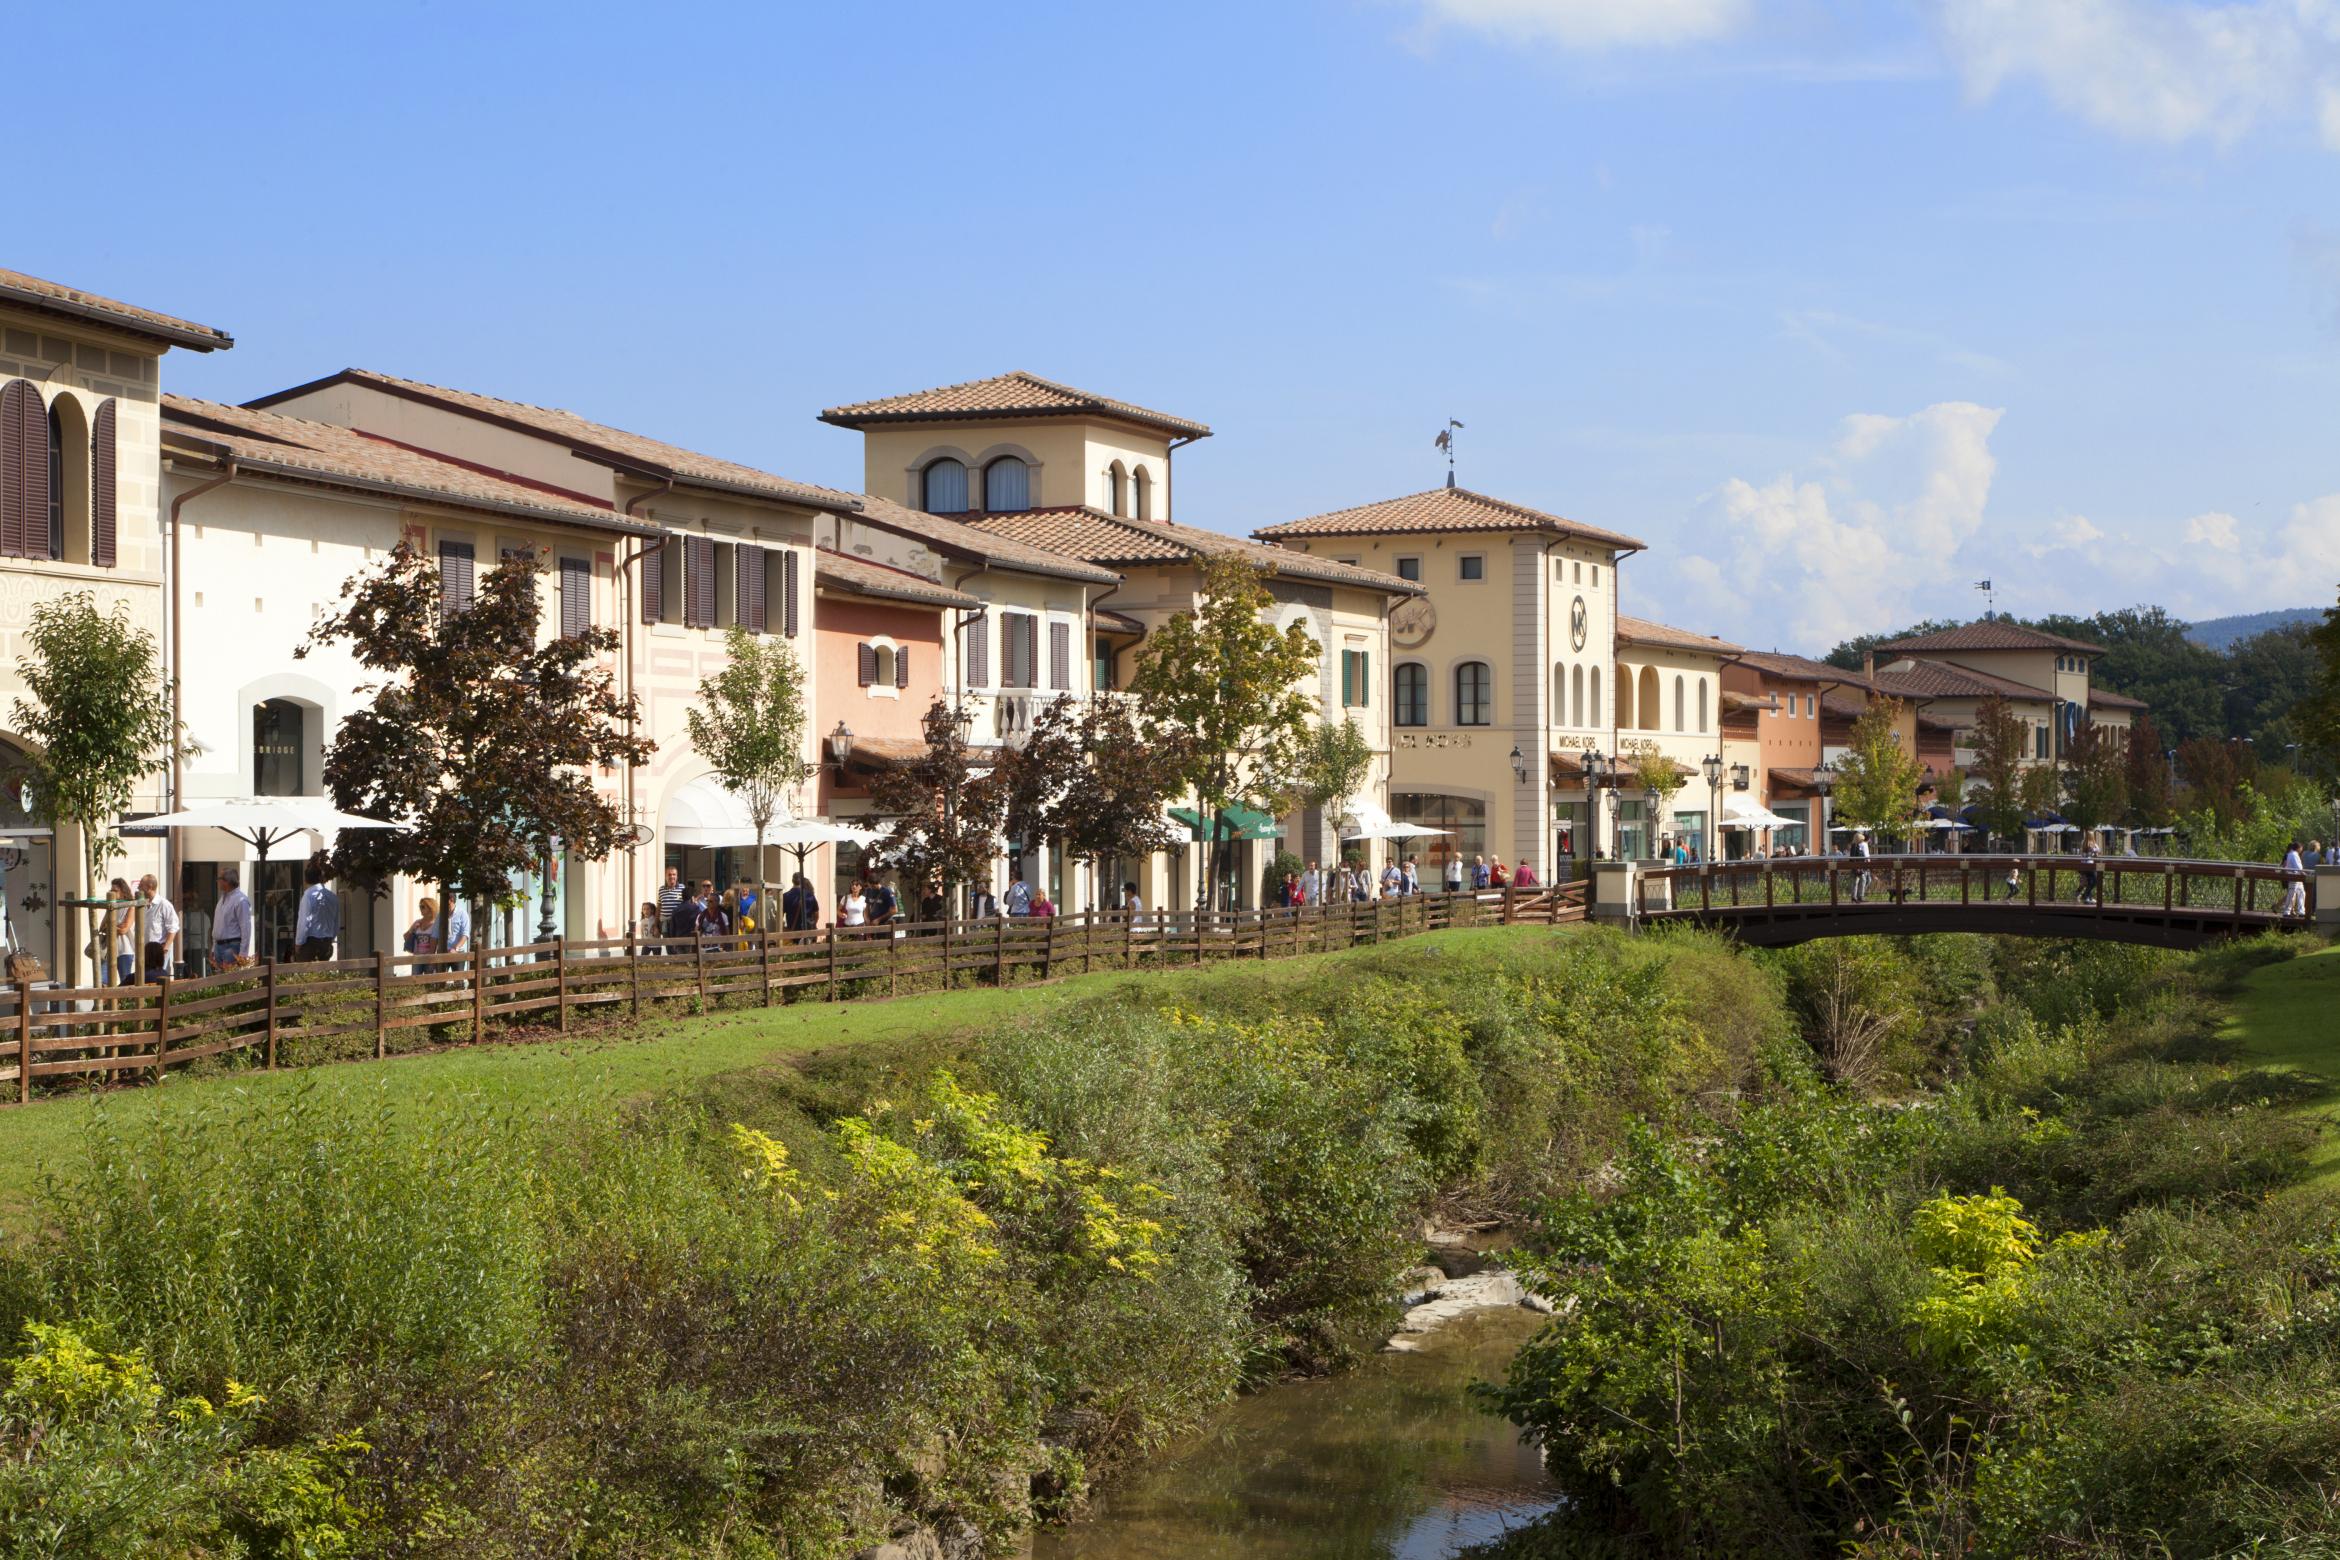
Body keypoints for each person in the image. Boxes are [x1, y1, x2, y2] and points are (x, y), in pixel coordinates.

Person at [137, 874, 180, 981]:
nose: (138, 888)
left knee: (159, 978)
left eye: (141, 885)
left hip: (158, 950)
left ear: (150, 887)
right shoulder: (142, 904)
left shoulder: (164, 904)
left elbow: (173, 927)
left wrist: (165, 947)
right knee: (145, 978)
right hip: (145, 950)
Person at [294, 862, 339, 961]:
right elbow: (336, 922)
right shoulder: (332, 896)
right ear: (321, 878)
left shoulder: (308, 896)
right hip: (326, 942)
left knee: (304, 974)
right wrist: (330, 939)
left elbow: (304, 922)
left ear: (306, 880)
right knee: (323, 974)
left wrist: (298, 943)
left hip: (311, 943)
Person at [211, 866, 253, 970]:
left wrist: (243, 954)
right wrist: (213, 948)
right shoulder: (222, 899)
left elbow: (246, 928)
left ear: (227, 881)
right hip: (219, 947)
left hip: (232, 947)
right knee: (220, 982)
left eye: (219, 879)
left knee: (230, 982)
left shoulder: (240, 900)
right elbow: (218, 925)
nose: (217, 881)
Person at [103, 877, 134, 987]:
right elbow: (102, 927)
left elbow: (124, 929)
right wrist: (115, 926)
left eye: (115, 890)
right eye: (111, 890)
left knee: (125, 982)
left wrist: (111, 926)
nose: (112, 893)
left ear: (123, 892)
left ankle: (125, 1004)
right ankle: (106, 1004)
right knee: (103, 982)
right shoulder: (111, 906)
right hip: (108, 950)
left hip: (124, 950)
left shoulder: (130, 905)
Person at [2281, 841, 2309, 919]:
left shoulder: (2290, 854)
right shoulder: (2294, 855)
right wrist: (2303, 873)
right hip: (2294, 876)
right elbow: (2298, 867)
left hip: (2296, 877)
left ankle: (2301, 911)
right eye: (2301, 848)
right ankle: (2287, 911)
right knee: (2291, 894)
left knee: (2301, 893)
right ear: (2299, 848)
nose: (2302, 850)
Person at [657, 866, 684, 931]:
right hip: (664, 923)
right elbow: (659, 907)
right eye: (669, 874)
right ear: (665, 876)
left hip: (678, 922)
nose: (672, 876)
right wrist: (655, 924)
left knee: (677, 940)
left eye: (674, 874)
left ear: (677, 876)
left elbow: (688, 903)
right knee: (666, 941)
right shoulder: (661, 889)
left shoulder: (682, 888)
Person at [1849, 833, 1872, 904]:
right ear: (1858, 839)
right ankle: (1858, 897)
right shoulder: (1854, 846)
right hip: (1857, 867)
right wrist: (1856, 867)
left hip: (1859, 866)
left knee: (1857, 881)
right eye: (1861, 839)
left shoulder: (1857, 845)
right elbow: (1853, 857)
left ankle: (1855, 897)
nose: (1862, 840)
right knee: (1860, 880)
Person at [2078, 841, 2102, 907]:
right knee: (2094, 880)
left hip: (2088, 865)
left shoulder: (2089, 843)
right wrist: (2093, 848)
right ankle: (2086, 895)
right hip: (2087, 866)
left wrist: (2094, 849)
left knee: (2090, 881)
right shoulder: (2085, 843)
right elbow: (2095, 850)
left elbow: (2098, 850)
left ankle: (2088, 897)